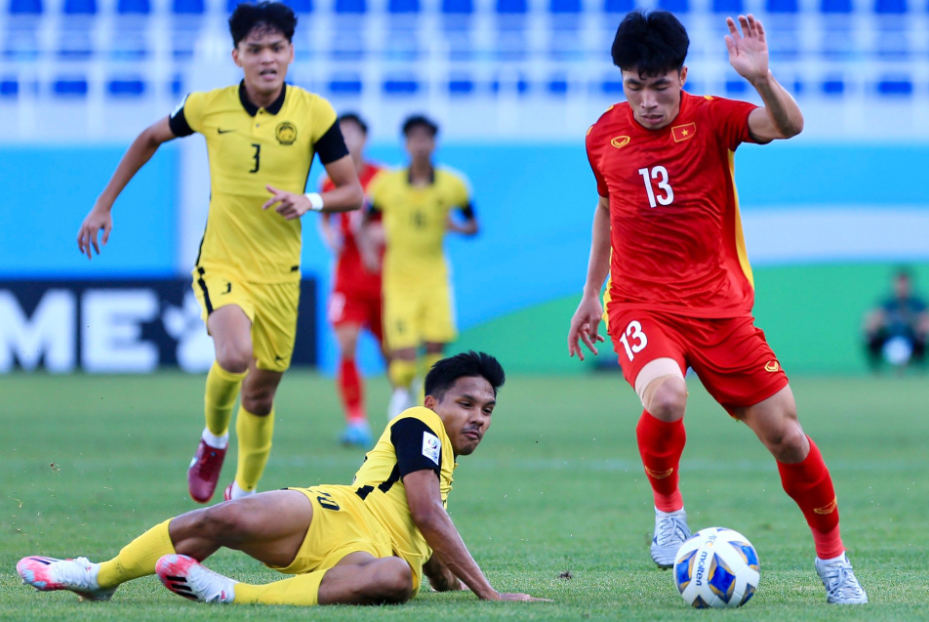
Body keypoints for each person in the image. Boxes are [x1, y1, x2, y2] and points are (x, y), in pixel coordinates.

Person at [567, 11, 867, 604]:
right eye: (634, 85)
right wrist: (590, 296)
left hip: (722, 312)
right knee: (667, 395)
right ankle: (668, 512)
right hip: (640, 305)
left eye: (660, 85)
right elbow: (608, 208)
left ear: (683, 74)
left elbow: (789, 125)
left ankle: (834, 559)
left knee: (789, 438)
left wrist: (760, 78)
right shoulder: (602, 136)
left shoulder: (712, 118)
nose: (648, 101)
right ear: (621, 80)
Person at [76, 2, 364, 505]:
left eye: (276, 48)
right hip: (223, 262)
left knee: (261, 391)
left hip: (280, 273)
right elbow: (149, 136)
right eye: (255, 49)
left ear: (291, 53)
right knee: (234, 356)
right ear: (236, 56)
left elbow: (353, 192)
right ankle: (212, 441)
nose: (267, 58)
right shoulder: (208, 107)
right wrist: (103, 204)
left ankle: (244, 494)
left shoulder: (314, 113)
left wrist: (310, 200)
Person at [16, 352, 549, 607]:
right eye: (467, 403)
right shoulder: (420, 422)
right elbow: (428, 514)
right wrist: (489, 593)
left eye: (488, 408)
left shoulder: (438, 463)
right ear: (434, 402)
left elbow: (425, 524)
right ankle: (98, 576)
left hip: (372, 555)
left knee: (394, 579)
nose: (479, 416)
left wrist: (445, 581)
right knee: (228, 516)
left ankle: (231, 593)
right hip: (335, 512)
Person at [366, 115, 479, 419]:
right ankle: (403, 391)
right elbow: (363, 222)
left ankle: (422, 415)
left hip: (435, 279)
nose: (420, 145)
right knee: (402, 358)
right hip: (399, 280)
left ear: (434, 143)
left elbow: (474, 225)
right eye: (414, 139)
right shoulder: (386, 185)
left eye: (425, 138)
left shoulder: (453, 185)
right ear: (405, 144)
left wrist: (456, 227)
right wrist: (369, 251)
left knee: (434, 353)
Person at [318, 113, 387, 448]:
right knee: (346, 346)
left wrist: (380, 232)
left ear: (365, 138)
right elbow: (325, 218)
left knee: (395, 356)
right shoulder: (329, 181)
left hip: (385, 281)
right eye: (340, 133)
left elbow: (397, 221)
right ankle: (356, 420)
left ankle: (404, 413)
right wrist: (328, 236)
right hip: (348, 281)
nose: (346, 139)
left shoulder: (384, 179)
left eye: (352, 133)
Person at [863, 269, 928, 371]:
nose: (902, 287)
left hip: (910, 339)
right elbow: (873, 319)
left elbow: (925, 319)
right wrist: (878, 324)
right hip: (889, 338)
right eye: (899, 283)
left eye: (905, 283)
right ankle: (876, 369)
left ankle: (919, 367)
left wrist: (918, 325)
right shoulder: (887, 303)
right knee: (870, 332)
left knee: (924, 333)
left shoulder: (917, 303)